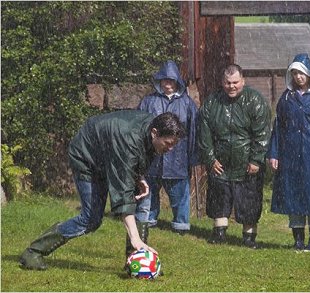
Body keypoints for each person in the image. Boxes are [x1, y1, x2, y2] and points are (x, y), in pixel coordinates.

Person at [19, 110, 185, 270]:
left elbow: (139, 156)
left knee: (142, 200)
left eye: (173, 145)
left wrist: (139, 176)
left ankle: (137, 260)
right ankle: (33, 252)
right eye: (168, 144)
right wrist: (134, 238)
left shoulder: (150, 131)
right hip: (87, 159)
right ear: (155, 132)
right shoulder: (128, 139)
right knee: (91, 219)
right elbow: (122, 193)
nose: (170, 149)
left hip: (111, 156)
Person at [198, 64, 271, 249]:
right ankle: (219, 233)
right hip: (220, 161)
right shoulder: (212, 102)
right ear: (222, 82)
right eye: (228, 82)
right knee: (219, 197)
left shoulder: (255, 100)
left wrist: (256, 159)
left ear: (243, 81)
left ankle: (249, 237)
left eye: (235, 82)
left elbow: (262, 133)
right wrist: (210, 158)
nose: (232, 86)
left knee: (249, 199)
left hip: (247, 161)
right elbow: (204, 133)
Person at [267, 53, 310, 251]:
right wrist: (274, 153)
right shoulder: (286, 98)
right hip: (291, 155)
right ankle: (298, 239)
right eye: (294, 73)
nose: (298, 77)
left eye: (301, 73)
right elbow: (278, 127)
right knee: (293, 195)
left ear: (309, 73)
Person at [137, 60, 198, 235]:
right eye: (164, 80)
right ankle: (148, 220)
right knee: (150, 192)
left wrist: (193, 157)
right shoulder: (148, 101)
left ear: (177, 81)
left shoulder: (187, 104)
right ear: (159, 81)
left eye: (171, 81)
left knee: (180, 194)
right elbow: (141, 127)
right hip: (153, 157)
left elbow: (194, 130)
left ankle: (181, 224)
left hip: (178, 158)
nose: (167, 84)